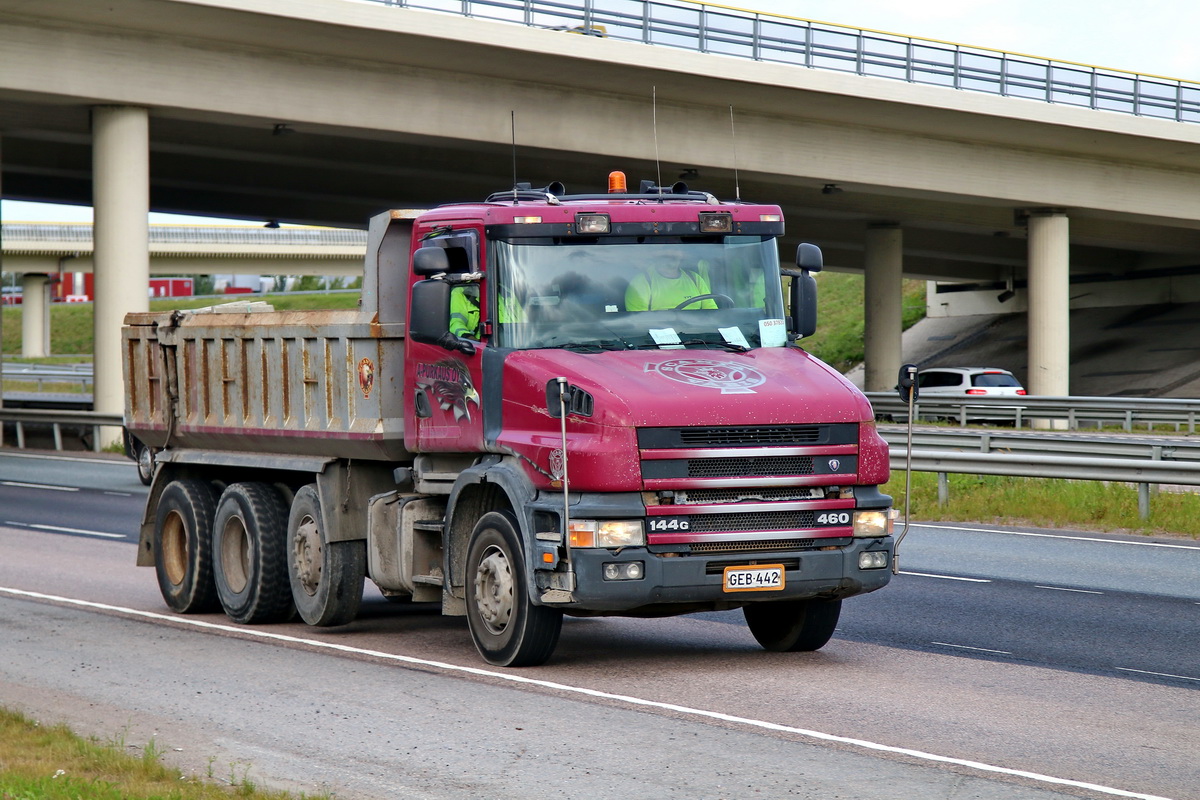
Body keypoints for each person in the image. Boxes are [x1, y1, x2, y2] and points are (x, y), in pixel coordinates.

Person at [625, 252, 718, 311]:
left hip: (699, 335)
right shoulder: (641, 281)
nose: (672, 254)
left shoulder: (695, 278)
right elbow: (639, 320)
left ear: (682, 254)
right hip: (658, 337)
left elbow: (711, 310)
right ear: (657, 254)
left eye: (676, 249)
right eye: (667, 249)